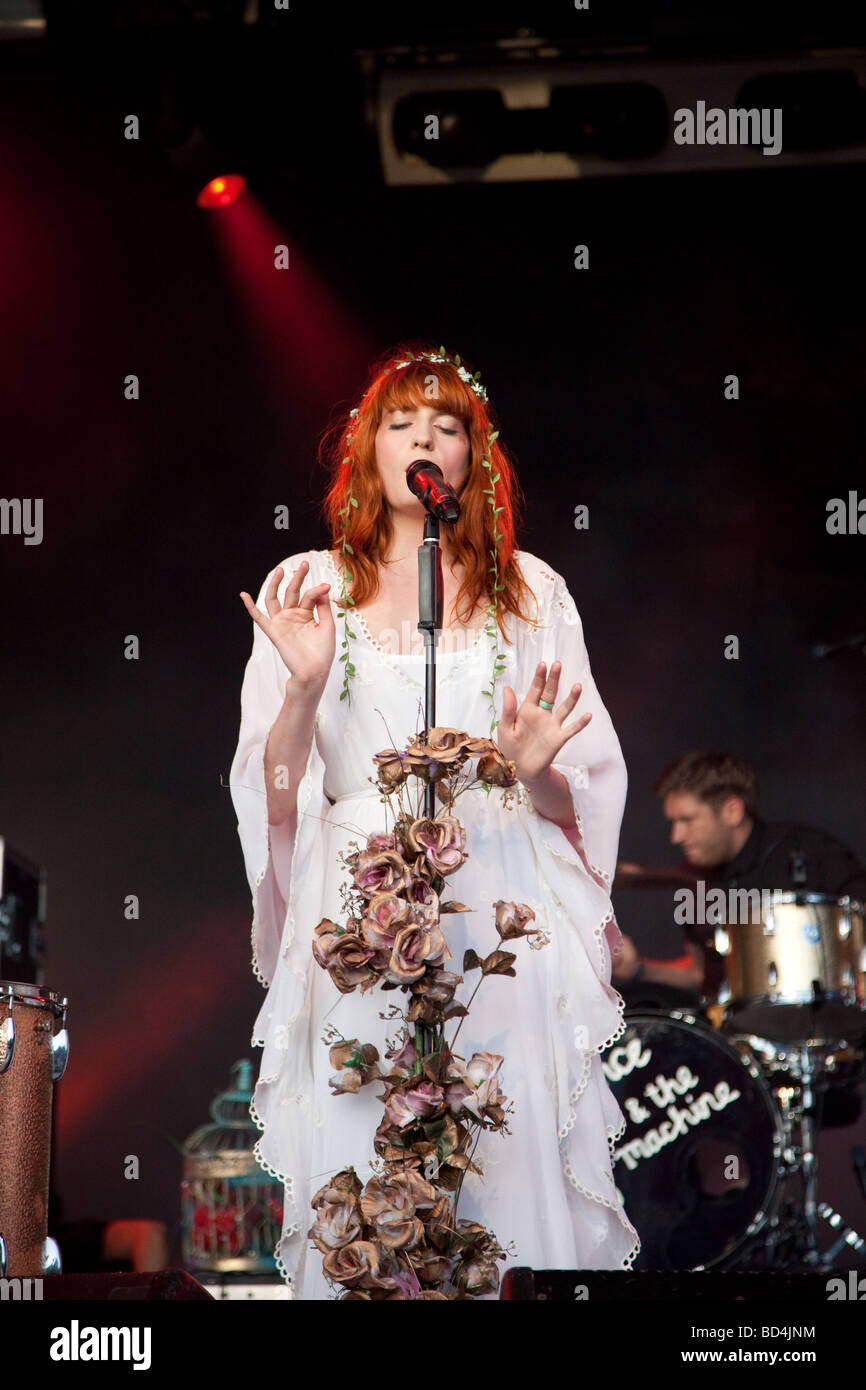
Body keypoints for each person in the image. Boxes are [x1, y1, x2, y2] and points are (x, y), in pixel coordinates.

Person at [229, 342, 639, 1298]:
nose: (425, 440)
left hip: (501, 897)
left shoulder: (531, 590)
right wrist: (302, 691)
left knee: (503, 1138)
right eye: (402, 425)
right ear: (368, 452)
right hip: (359, 902)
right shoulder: (307, 584)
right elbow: (275, 793)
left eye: (446, 426)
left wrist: (534, 773)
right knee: (366, 1128)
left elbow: (584, 785)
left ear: (474, 457)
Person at [614, 750, 866, 997]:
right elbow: (700, 974)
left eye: (687, 820)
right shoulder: (691, 878)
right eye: (673, 822)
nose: (676, 836)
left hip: (823, 1024)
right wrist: (638, 969)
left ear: (732, 811)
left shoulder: (809, 853)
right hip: (732, 1032)